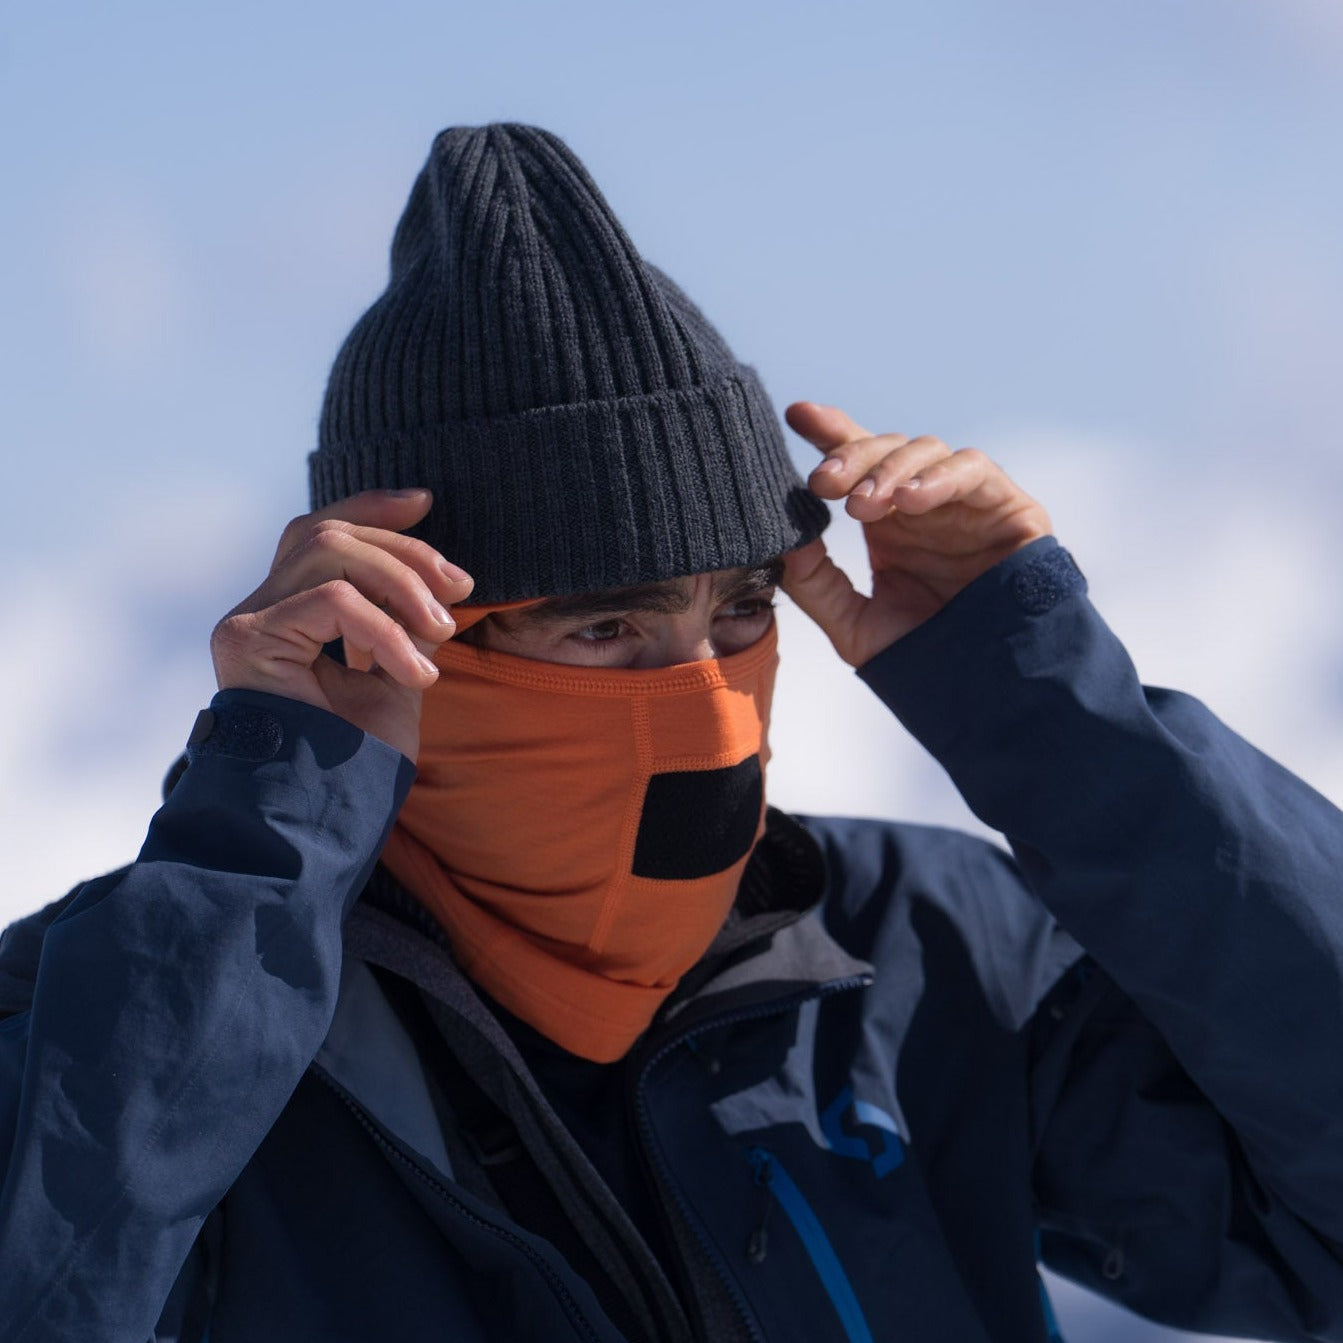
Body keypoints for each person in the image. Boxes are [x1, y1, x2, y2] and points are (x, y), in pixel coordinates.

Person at [1, 123, 1341, 1343]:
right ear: (391, 641)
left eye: (744, 609)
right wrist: (273, 813)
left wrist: (1053, 709)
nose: (703, 694)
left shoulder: (922, 959)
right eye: (605, 629)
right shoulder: (117, 1005)